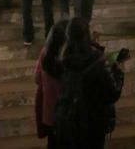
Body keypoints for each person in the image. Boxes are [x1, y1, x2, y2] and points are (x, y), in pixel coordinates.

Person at [54, 17, 125, 149]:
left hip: (69, 122)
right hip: (93, 124)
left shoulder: (64, 60)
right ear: (87, 36)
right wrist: (119, 73)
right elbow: (112, 94)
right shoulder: (97, 62)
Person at [35, 20, 68, 148]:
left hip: (50, 114)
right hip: (70, 115)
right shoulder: (73, 58)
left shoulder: (45, 53)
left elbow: (37, 79)